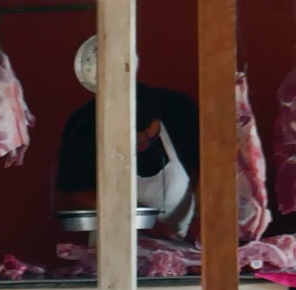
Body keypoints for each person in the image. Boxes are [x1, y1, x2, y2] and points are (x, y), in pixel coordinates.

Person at [55, 84, 200, 239]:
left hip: (181, 239)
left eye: (151, 137)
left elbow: (208, 173)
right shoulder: (84, 127)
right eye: (134, 143)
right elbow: (74, 195)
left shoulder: (180, 111)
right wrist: (137, 217)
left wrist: (200, 217)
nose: (144, 146)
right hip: (113, 239)